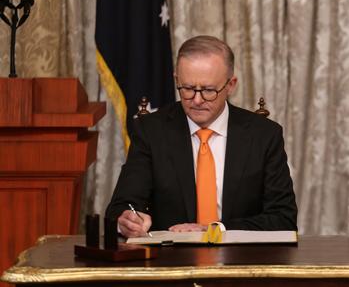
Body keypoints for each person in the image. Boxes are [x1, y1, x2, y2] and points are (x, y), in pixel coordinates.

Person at [106, 35, 298, 237]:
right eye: (187, 89)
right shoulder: (151, 132)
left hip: (241, 261)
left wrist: (215, 230)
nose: (196, 100)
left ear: (231, 85)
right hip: (171, 262)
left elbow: (283, 218)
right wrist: (127, 220)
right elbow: (120, 207)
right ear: (176, 80)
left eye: (208, 90)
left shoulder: (264, 135)